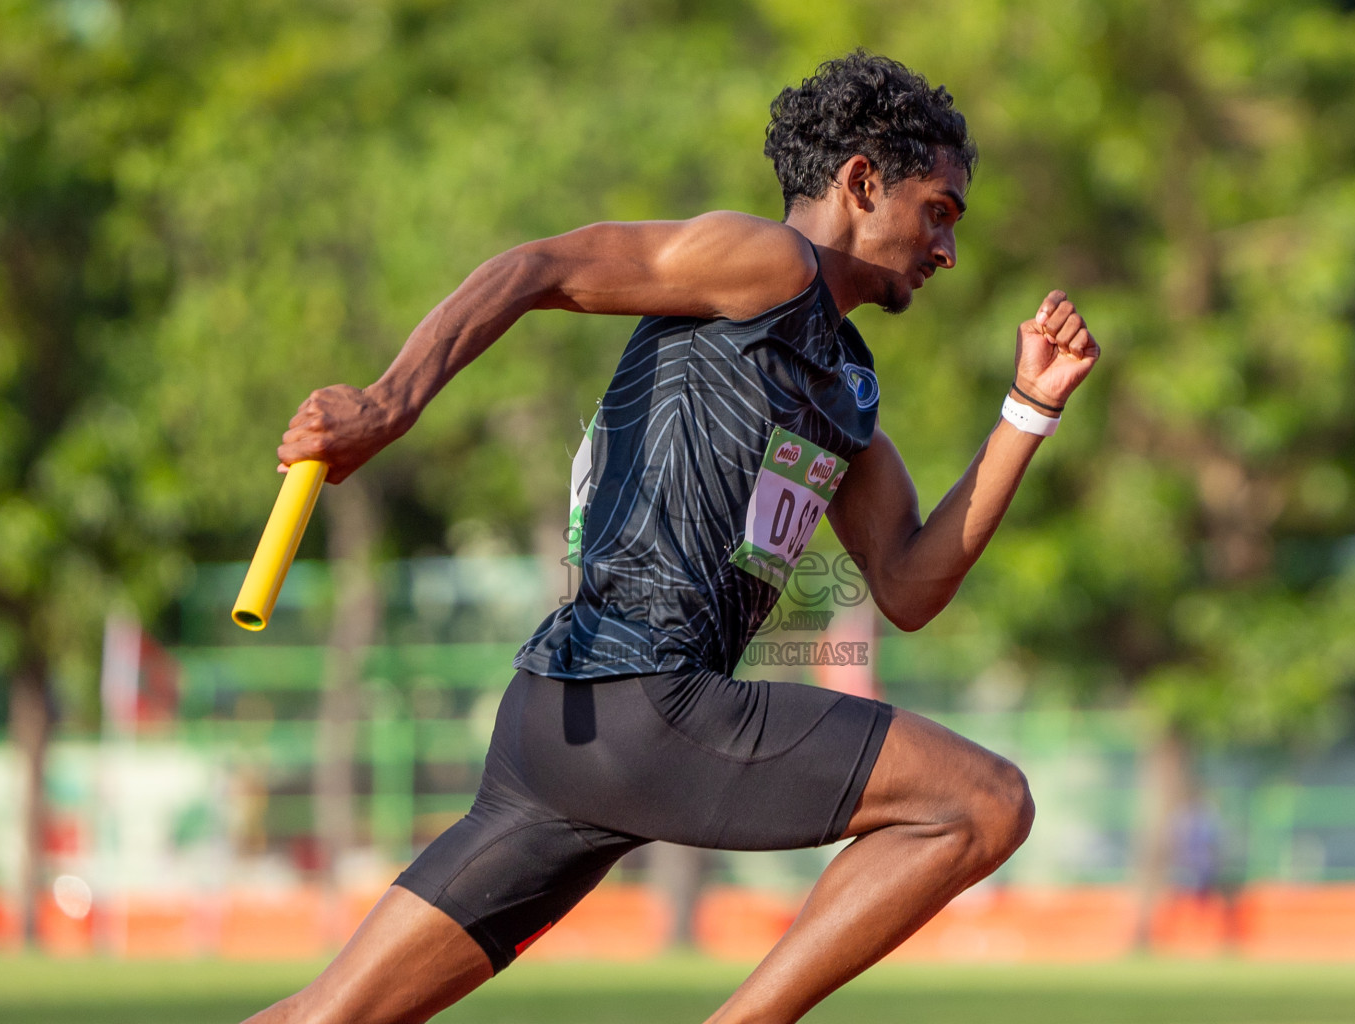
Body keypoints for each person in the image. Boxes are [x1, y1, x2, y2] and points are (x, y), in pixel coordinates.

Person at [251, 51, 1099, 1024]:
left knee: (323, 1018)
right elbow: (541, 267)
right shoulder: (766, 264)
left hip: (559, 728)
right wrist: (388, 401)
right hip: (642, 699)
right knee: (984, 803)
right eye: (939, 211)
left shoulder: (843, 383)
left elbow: (910, 583)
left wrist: (1027, 410)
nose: (948, 249)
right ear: (863, 181)